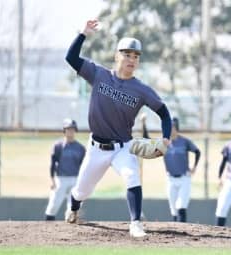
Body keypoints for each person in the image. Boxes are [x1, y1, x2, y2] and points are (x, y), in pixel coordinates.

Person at [65, 20, 171, 237]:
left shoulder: (141, 90)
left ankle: (135, 223)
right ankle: (74, 208)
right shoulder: (98, 74)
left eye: (136, 56)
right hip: (96, 147)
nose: (132, 59)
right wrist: (83, 34)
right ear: (116, 56)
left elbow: (164, 113)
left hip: (123, 146)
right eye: (127, 54)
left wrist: (166, 137)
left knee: (132, 175)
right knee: (82, 190)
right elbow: (71, 58)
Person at [141, 116, 201, 222]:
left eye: (171, 126)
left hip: (184, 178)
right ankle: (176, 235)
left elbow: (197, 151)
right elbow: (147, 140)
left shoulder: (184, 141)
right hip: (171, 179)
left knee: (181, 206)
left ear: (176, 128)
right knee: (173, 209)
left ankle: (184, 232)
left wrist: (194, 167)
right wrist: (144, 124)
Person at [45, 118, 85, 221]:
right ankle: (47, 228)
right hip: (60, 179)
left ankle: (71, 230)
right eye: (68, 129)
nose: (70, 131)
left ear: (75, 130)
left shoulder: (80, 148)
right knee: (53, 204)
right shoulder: (58, 146)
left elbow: (83, 166)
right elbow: (53, 163)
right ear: (64, 130)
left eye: (72, 129)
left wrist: (82, 182)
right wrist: (52, 180)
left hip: (75, 179)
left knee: (73, 208)